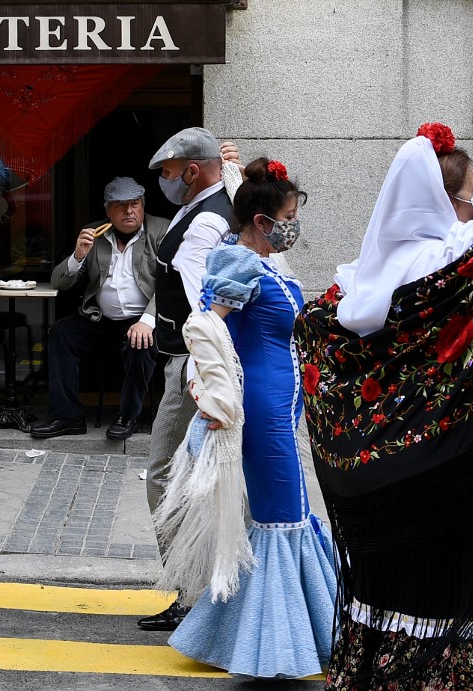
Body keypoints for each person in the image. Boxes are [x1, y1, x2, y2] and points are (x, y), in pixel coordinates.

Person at [296, 121, 473, 689]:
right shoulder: (460, 263)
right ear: (453, 200)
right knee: (439, 613)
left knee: (376, 606)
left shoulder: (354, 283)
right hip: (441, 483)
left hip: (368, 493)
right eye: (472, 194)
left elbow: (314, 342)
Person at [155, 157, 337, 679]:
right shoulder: (238, 263)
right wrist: (210, 395)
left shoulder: (261, 264)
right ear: (262, 221)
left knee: (283, 513)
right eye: (288, 215)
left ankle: (268, 635)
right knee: (283, 514)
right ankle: (276, 644)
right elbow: (208, 330)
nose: (293, 224)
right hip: (259, 410)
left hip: (277, 406)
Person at [137, 127, 242, 631]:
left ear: (193, 172)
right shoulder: (210, 206)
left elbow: (209, 306)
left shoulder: (203, 222)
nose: (164, 181)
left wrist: (205, 378)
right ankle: (201, 591)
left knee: (164, 473)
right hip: (188, 363)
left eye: (168, 173)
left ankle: (192, 592)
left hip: (191, 367)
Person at [30, 177, 165, 440]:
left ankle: (128, 417)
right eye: (121, 205)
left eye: (135, 204)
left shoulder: (161, 230)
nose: (129, 211)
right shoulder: (94, 233)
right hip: (100, 319)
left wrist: (148, 320)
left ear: (143, 206)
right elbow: (60, 282)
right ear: (107, 211)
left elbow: (172, 284)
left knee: (141, 344)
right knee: (61, 333)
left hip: (142, 319)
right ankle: (67, 417)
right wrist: (78, 255)